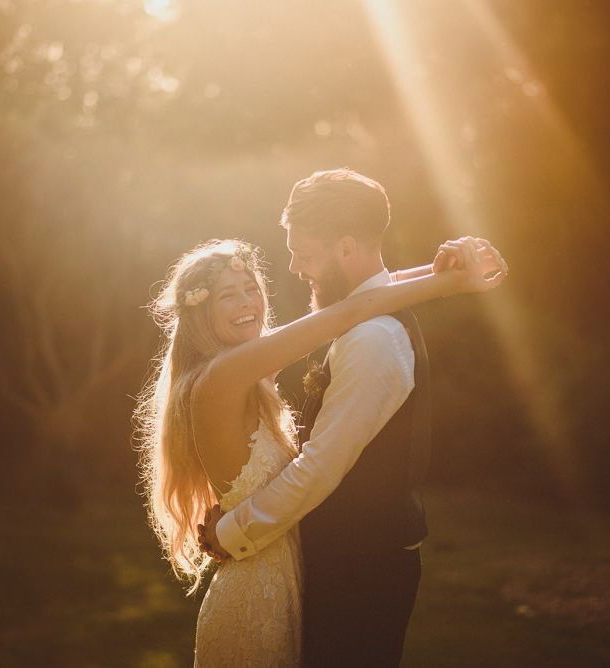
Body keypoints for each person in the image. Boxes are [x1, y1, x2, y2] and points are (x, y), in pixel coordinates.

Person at [137, 186, 506, 666]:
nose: (291, 270)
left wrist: (443, 271)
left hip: (301, 567)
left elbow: (356, 306)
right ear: (199, 312)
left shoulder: (251, 362)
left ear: (345, 248)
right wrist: (451, 283)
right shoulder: (227, 374)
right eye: (228, 294)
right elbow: (349, 311)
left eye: (253, 288)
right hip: (259, 585)